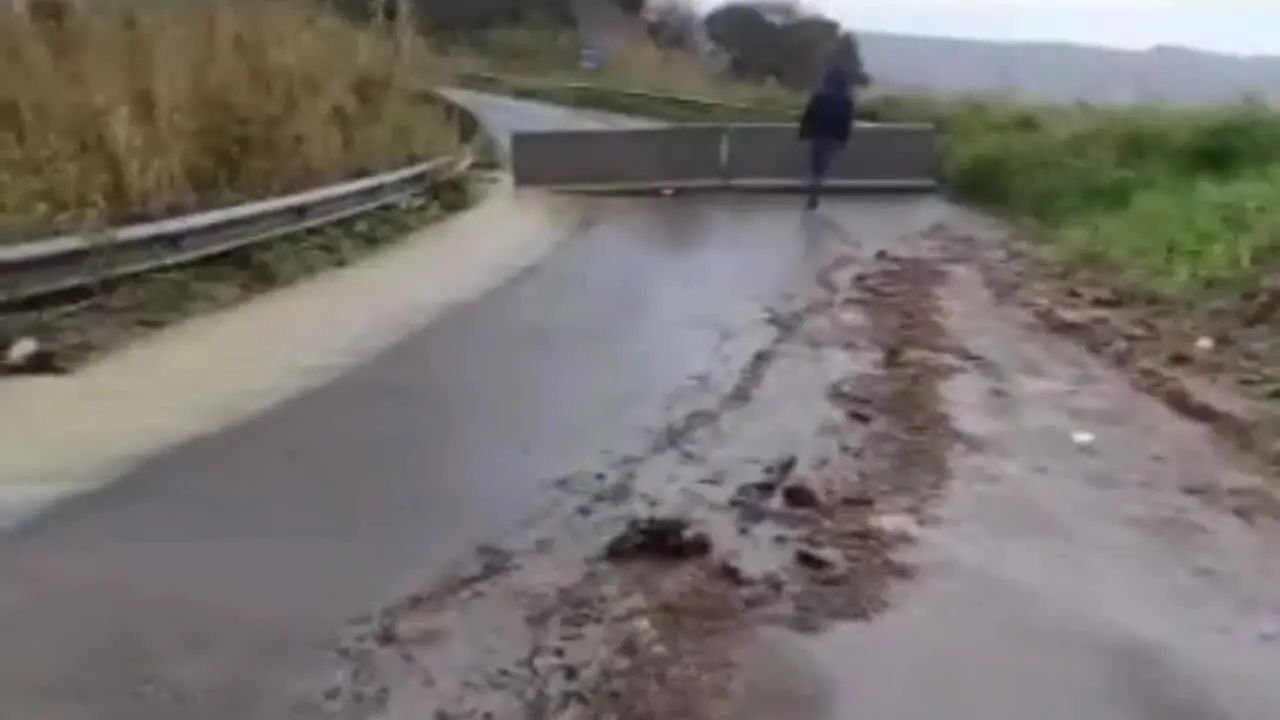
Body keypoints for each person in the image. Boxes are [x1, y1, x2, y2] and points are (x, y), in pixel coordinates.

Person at [797, 66, 855, 210]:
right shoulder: (846, 101)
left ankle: (813, 193)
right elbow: (846, 123)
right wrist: (843, 140)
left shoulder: (819, 97)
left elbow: (808, 116)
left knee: (814, 166)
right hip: (833, 138)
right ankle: (816, 191)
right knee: (823, 167)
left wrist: (803, 133)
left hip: (818, 135)